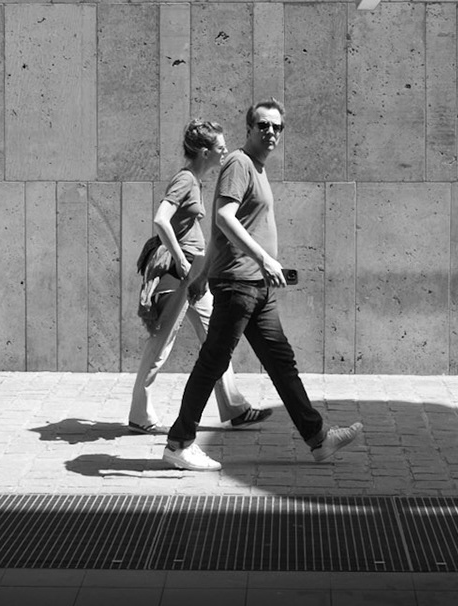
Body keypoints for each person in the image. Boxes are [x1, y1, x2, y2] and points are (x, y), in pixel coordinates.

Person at [163, 100, 363, 471]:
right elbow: (222, 218)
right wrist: (264, 259)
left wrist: (202, 276)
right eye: (263, 126)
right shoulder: (239, 164)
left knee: (281, 363)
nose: (270, 133)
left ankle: (318, 440)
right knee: (213, 363)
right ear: (250, 129)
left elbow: (218, 237)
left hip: (257, 289)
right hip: (240, 285)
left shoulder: (258, 168)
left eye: (277, 127)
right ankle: (179, 443)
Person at [127, 119, 272, 433]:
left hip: (195, 275)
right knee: (161, 344)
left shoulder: (195, 180)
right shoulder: (186, 180)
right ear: (205, 152)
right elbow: (160, 220)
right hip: (182, 274)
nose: (224, 153)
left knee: (217, 339)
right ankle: (139, 414)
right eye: (220, 148)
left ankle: (234, 407)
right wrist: (180, 258)